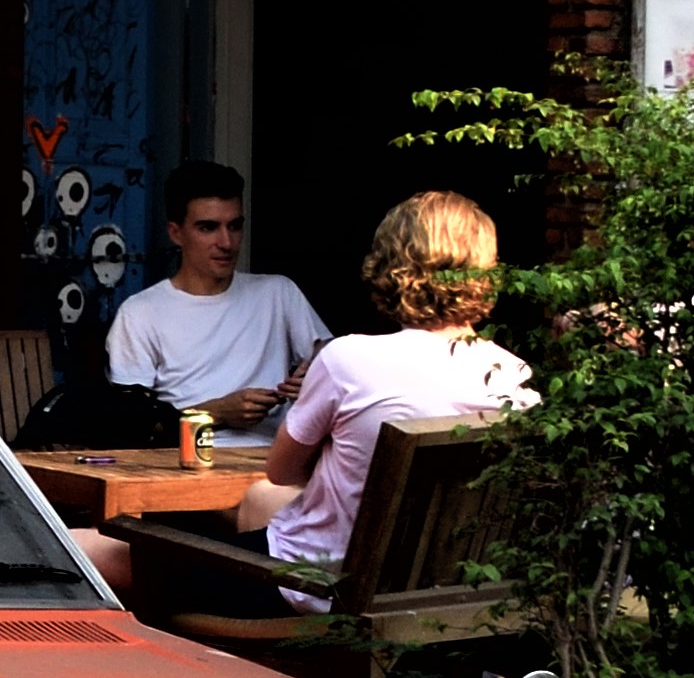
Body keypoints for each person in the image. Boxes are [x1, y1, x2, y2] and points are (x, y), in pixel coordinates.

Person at [87, 190, 532, 606]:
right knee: (261, 503)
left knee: (93, 551)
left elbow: (282, 471)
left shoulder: (349, 360)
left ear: (393, 265)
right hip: (439, 594)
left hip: (309, 587)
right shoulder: (514, 379)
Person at [106, 161, 325, 424]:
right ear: (176, 233)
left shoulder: (278, 292)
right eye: (208, 228)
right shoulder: (140, 313)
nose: (226, 243)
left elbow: (339, 366)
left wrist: (317, 379)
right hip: (181, 460)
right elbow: (129, 424)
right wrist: (215, 413)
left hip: (271, 458)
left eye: (234, 226)